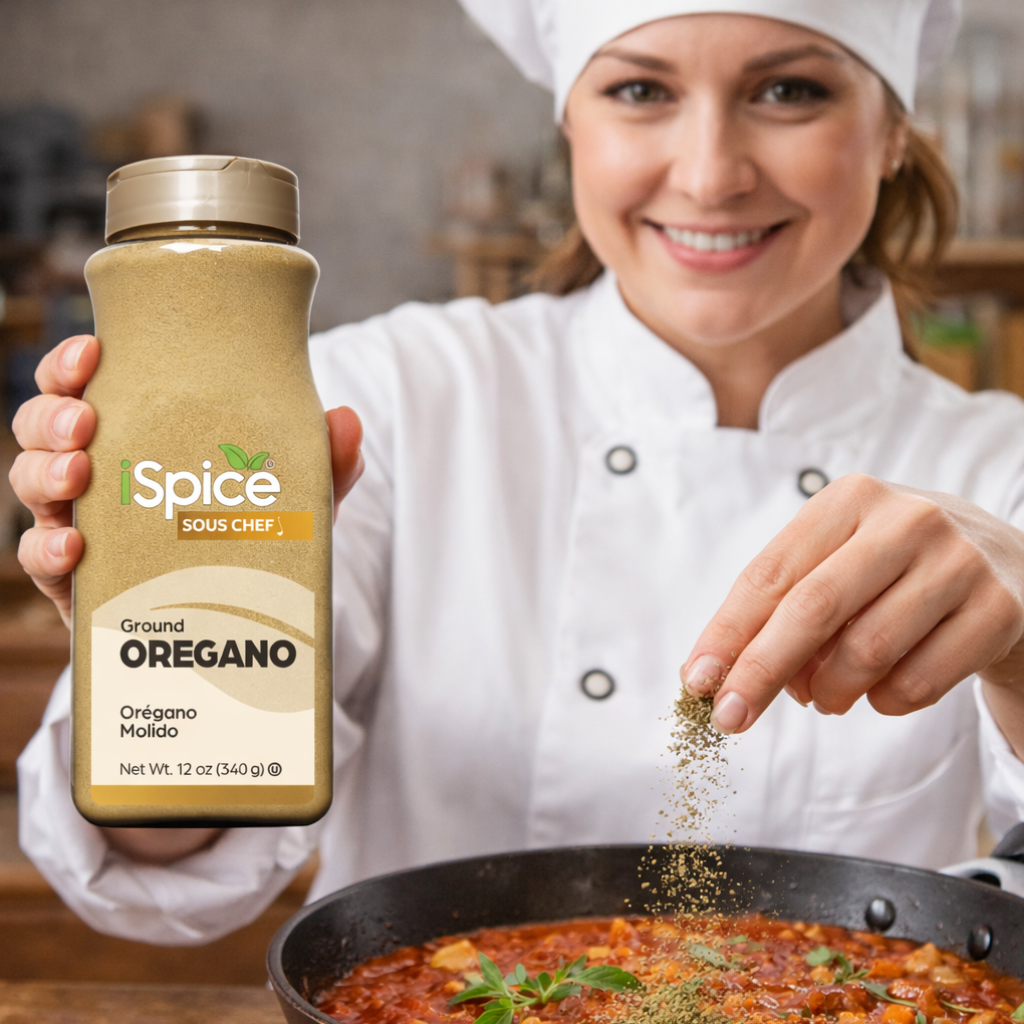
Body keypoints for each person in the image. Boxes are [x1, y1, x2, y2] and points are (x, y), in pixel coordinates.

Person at [11, 0, 1024, 946]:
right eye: (639, 91)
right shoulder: (388, 395)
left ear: (895, 128)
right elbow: (170, 865)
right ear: (569, 124)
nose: (711, 174)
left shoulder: (1000, 467)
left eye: (788, 91)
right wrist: (154, 633)